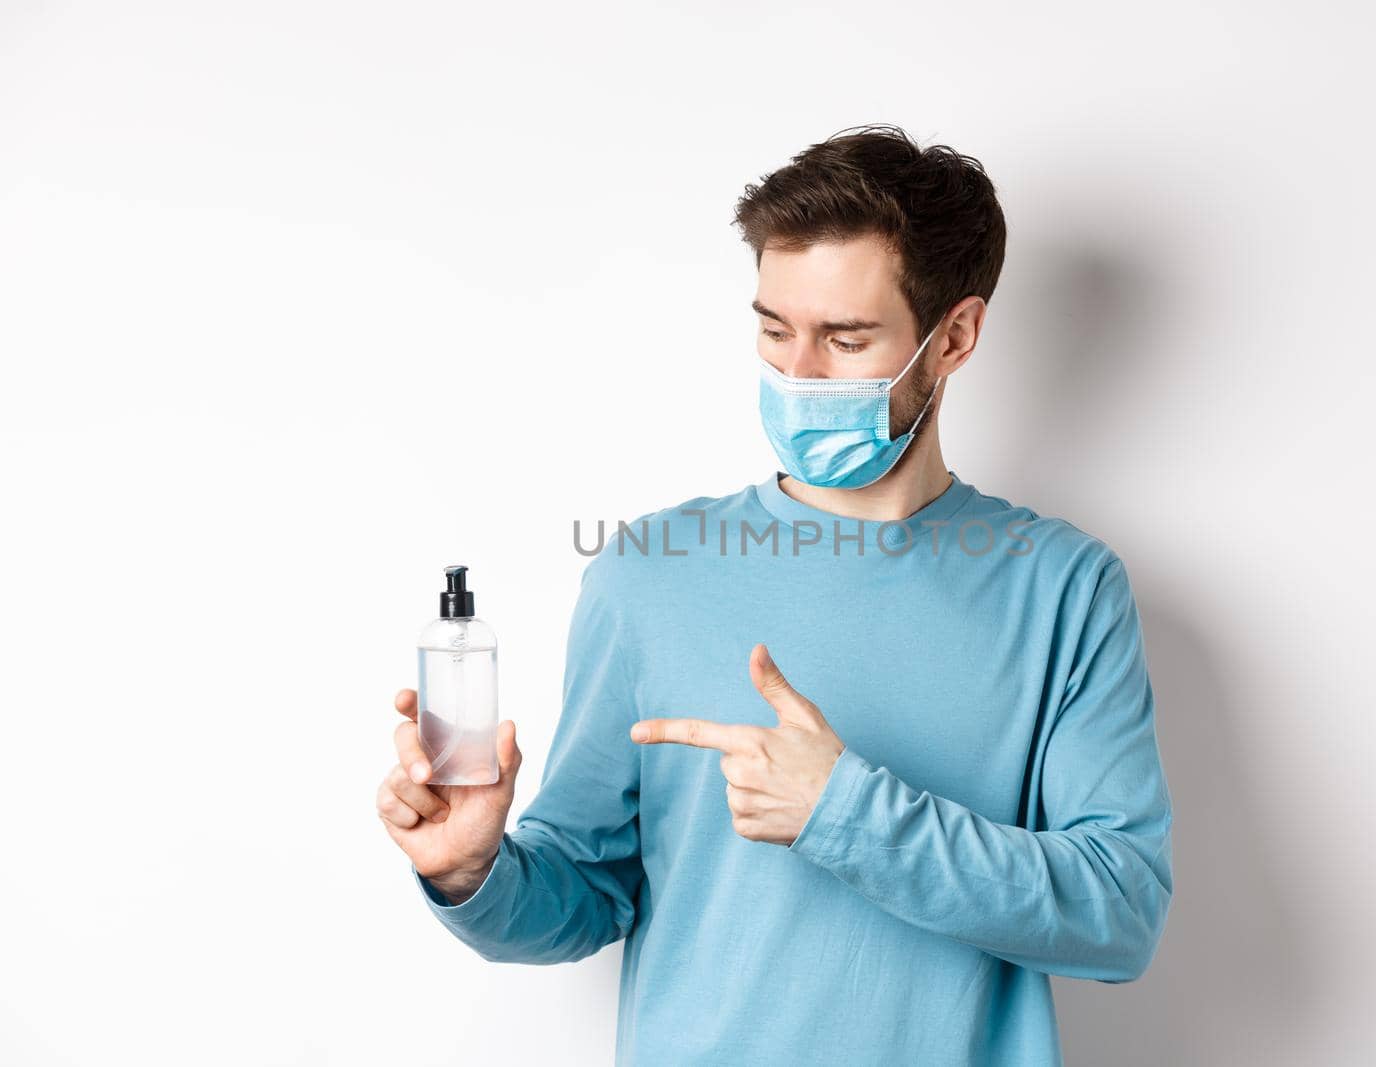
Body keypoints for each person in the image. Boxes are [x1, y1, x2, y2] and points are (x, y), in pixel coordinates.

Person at [374, 124, 1175, 1066]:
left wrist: (846, 812)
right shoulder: (650, 572)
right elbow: (585, 889)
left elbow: (1120, 914)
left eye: (845, 338)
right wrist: (476, 871)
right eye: (772, 328)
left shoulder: (1063, 588)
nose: (796, 374)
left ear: (953, 337)